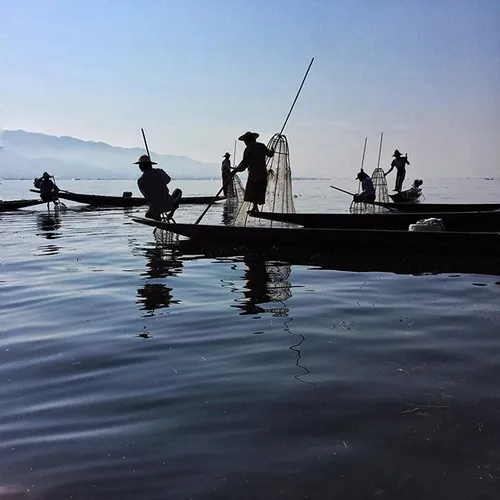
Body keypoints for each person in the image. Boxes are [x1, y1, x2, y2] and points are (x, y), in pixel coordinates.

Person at [235, 131, 274, 213]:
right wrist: (272, 150)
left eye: (245, 141)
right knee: (258, 190)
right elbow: (270, 154)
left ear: (247, 141)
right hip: (263, 174)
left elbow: (244, 165)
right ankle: (255, 207)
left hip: (254, 174)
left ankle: (255, 207)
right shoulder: (261, 146)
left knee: (253, 191)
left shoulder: (248, 149)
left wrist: (236, 170)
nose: (245, 143)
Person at [135, 154, 182, 220]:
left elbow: (147, 197)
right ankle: (171, 213)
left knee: (151, 211)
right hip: (168, 204)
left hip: (155, 208)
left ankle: (157, 217)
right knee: (178, 191)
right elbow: (168, 180)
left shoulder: (140, 181)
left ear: (142, 166)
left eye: (140, 165)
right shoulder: (159, 172)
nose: (139, 166)